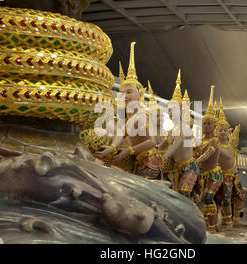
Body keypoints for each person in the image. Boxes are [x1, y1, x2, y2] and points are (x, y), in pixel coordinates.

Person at [95, 42, 162, 179]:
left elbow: (152, 142)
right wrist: (113, 147)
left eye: (129, 92)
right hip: (138, 160)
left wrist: (128, 151)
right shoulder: (129, 117)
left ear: (140, 95)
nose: (125, 96)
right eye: (123, 93)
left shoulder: (142, 115)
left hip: (150, 162)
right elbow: (120, 134)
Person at [160, 71, 199, 199]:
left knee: (183, 195)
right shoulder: (171, 130)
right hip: (175, 169)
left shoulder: (184, 127)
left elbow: (175, 145)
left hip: (189, 166)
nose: (171, 113)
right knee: (175, 197)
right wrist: (153, 151)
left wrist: (164, 157)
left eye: (174, 110)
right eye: (169, 110)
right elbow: (162, 145)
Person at [215, 98, 247, 228]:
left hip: (235, 175)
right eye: (220, 130)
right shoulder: (216, 146)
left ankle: (236, 219)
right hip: (223, 176)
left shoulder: (231, 145)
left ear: (229, 132)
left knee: (240, 196)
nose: (223, 132)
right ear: (216, 132)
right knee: (225, 199)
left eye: (225, 130)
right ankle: (226, 220)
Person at [195, 85, 223, 232]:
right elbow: (194, 152)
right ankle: (205, 224)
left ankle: (213, 226)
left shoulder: (214, 141)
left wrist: (195, 161)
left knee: (208, 198)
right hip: (202, 175)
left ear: (214, 126)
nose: (206, 126)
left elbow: (207, 155)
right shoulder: (199, 140)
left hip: (214, 174)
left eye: (209, 123)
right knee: (200, 200)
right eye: (204, 123)